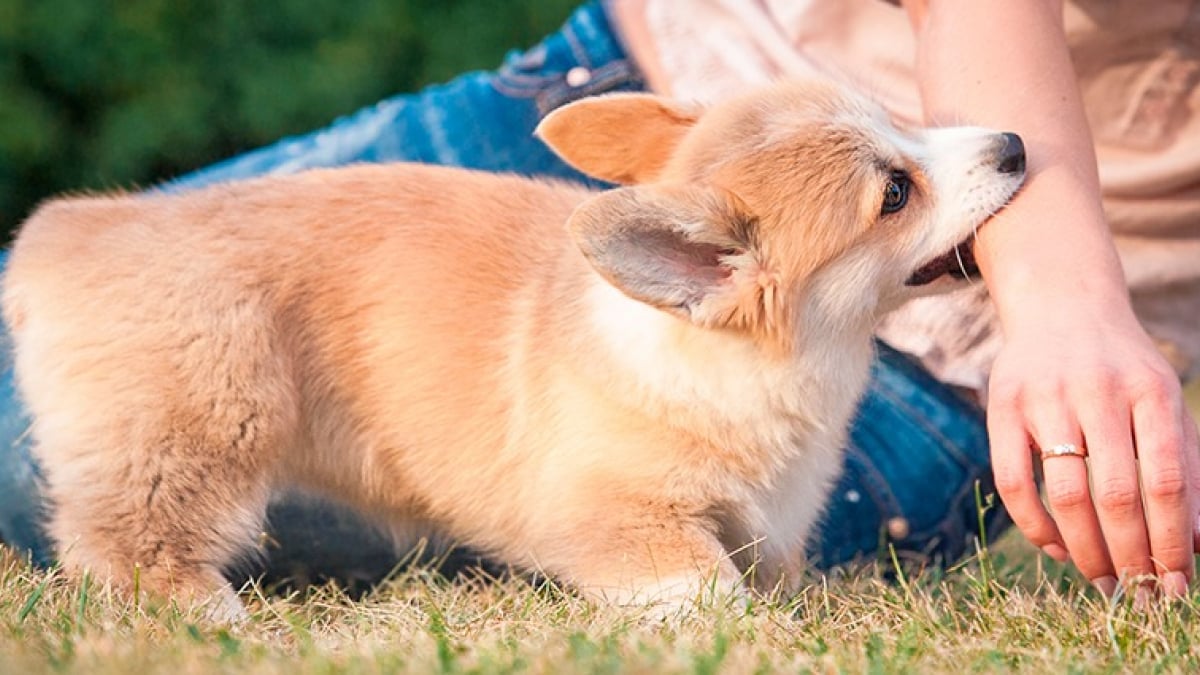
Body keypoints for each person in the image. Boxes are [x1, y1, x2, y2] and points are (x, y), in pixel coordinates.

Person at [1, 0, 1197, 599]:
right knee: (73, 359)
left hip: (936, 345)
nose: (985, 154)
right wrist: (1057, 293)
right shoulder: (704, 242)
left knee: (20, 443)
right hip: (657, 87)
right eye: (902, 183)